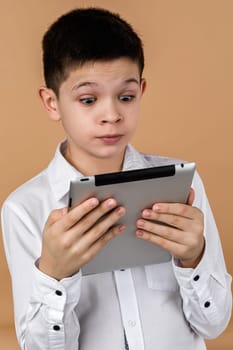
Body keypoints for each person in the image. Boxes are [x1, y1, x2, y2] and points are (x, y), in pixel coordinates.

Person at [1, 7, 232, 350]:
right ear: (52, 103)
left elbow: (214, 325)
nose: (111, 115)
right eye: (88, 99)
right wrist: (54, 271)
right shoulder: (25, 208)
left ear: (141, 90)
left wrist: (194, 257)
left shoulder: (183, 187)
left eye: (126, 97)